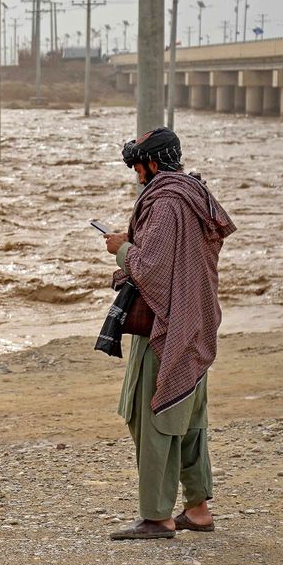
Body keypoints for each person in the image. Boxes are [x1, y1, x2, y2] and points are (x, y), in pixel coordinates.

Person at [103, 127, 235, 540]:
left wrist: (121, 248)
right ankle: (197, 509)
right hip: (198, 320)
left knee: (153, 418)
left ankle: (157, 516)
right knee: (190, 420)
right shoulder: (196, 195)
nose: (137, 175)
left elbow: (153, 268)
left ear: (152, 164)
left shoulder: (164, 203)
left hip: (168, 325)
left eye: (138, 166)